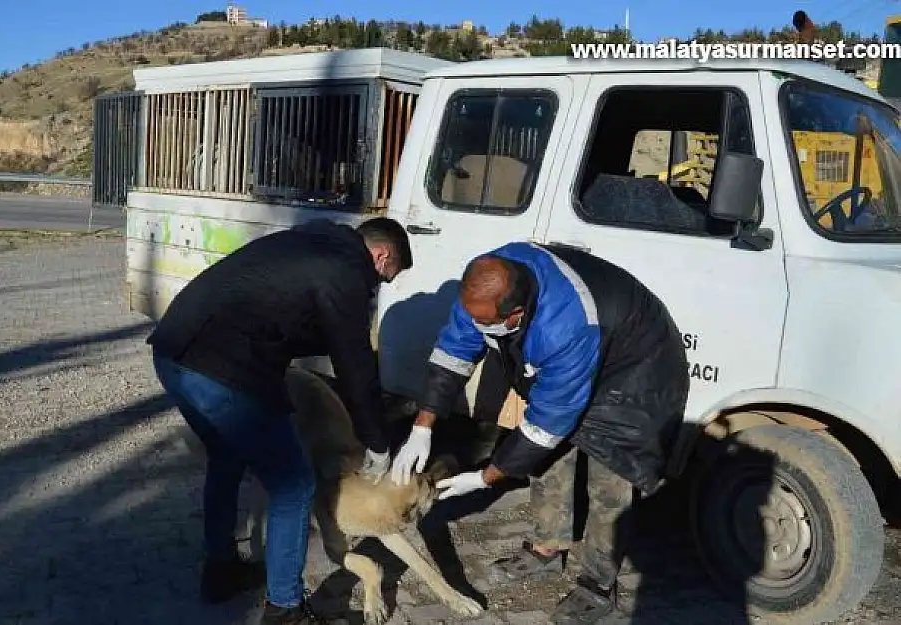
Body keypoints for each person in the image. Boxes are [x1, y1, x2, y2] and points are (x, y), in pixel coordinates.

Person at [390, 241, 689, 623]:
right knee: (547, 458)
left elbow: (548, 423)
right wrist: (423, 426)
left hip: (635, 368)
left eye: (488, 323)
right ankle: (547, 547)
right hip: (586, 346)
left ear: (516, 314)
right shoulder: (484, 286)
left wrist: (485, 477)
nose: (478, 327)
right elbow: (454, 351)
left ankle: (598, 581)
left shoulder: (565, 324)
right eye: (475, 319)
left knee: (610, 476)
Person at [146, 216, 411, 625]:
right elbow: (355, 367)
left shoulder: (309, 242)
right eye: (386, 278)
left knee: (226, 458)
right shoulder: (347, 271)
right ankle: (286, 608)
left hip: (172, 352)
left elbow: (293, 321)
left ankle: (220, 571)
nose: (378, 289)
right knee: (294, 486)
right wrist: (376, 441)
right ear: (381, 255)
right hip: (222, 371)